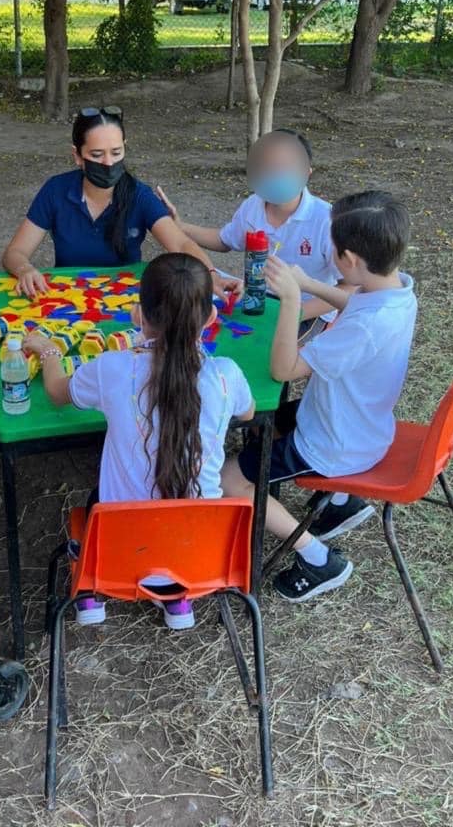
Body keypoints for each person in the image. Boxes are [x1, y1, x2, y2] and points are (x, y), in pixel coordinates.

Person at [25, 253, 348, 628]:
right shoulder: (225, 375)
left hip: (116, 553)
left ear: (139, 315)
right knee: (180, 511)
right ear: (211, 320)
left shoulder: (112, 368)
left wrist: (48, 350)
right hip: (201, 553)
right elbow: (245, 414)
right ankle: (177, 598)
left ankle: (91, 594)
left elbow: (56, 392)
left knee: (96, 501)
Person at [221, 190, 417, 602]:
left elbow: (283, 370)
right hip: (359, 425)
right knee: (258, 428)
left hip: (332, 443)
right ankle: (339, 503)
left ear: (350, 261)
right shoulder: (398, 291)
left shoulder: (363, 330)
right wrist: (310, 283)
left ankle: (317, 557)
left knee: (227, 479)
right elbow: (354, 303)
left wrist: (293, 299)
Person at [2, 106, 240, 301]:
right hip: (67, 299)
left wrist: (211, 275)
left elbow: (180, 243)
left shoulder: (139, 195)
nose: (108, 162)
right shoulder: (56, 191)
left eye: (116, 152)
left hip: (127, 302)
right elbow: (15, 252)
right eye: (96, 155)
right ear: (77, 156)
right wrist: (25, 269)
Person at [157, 129, 349, 338]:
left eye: (285, 167)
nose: (276, 174)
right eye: (268, 166)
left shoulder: (326, 220)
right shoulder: (253, 205)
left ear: (306, 173)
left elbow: (349, 287)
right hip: (258, 301)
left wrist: (297, 313)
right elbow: (224, 240)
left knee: (272, 360)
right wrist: (179, 226)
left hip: (306, 311)